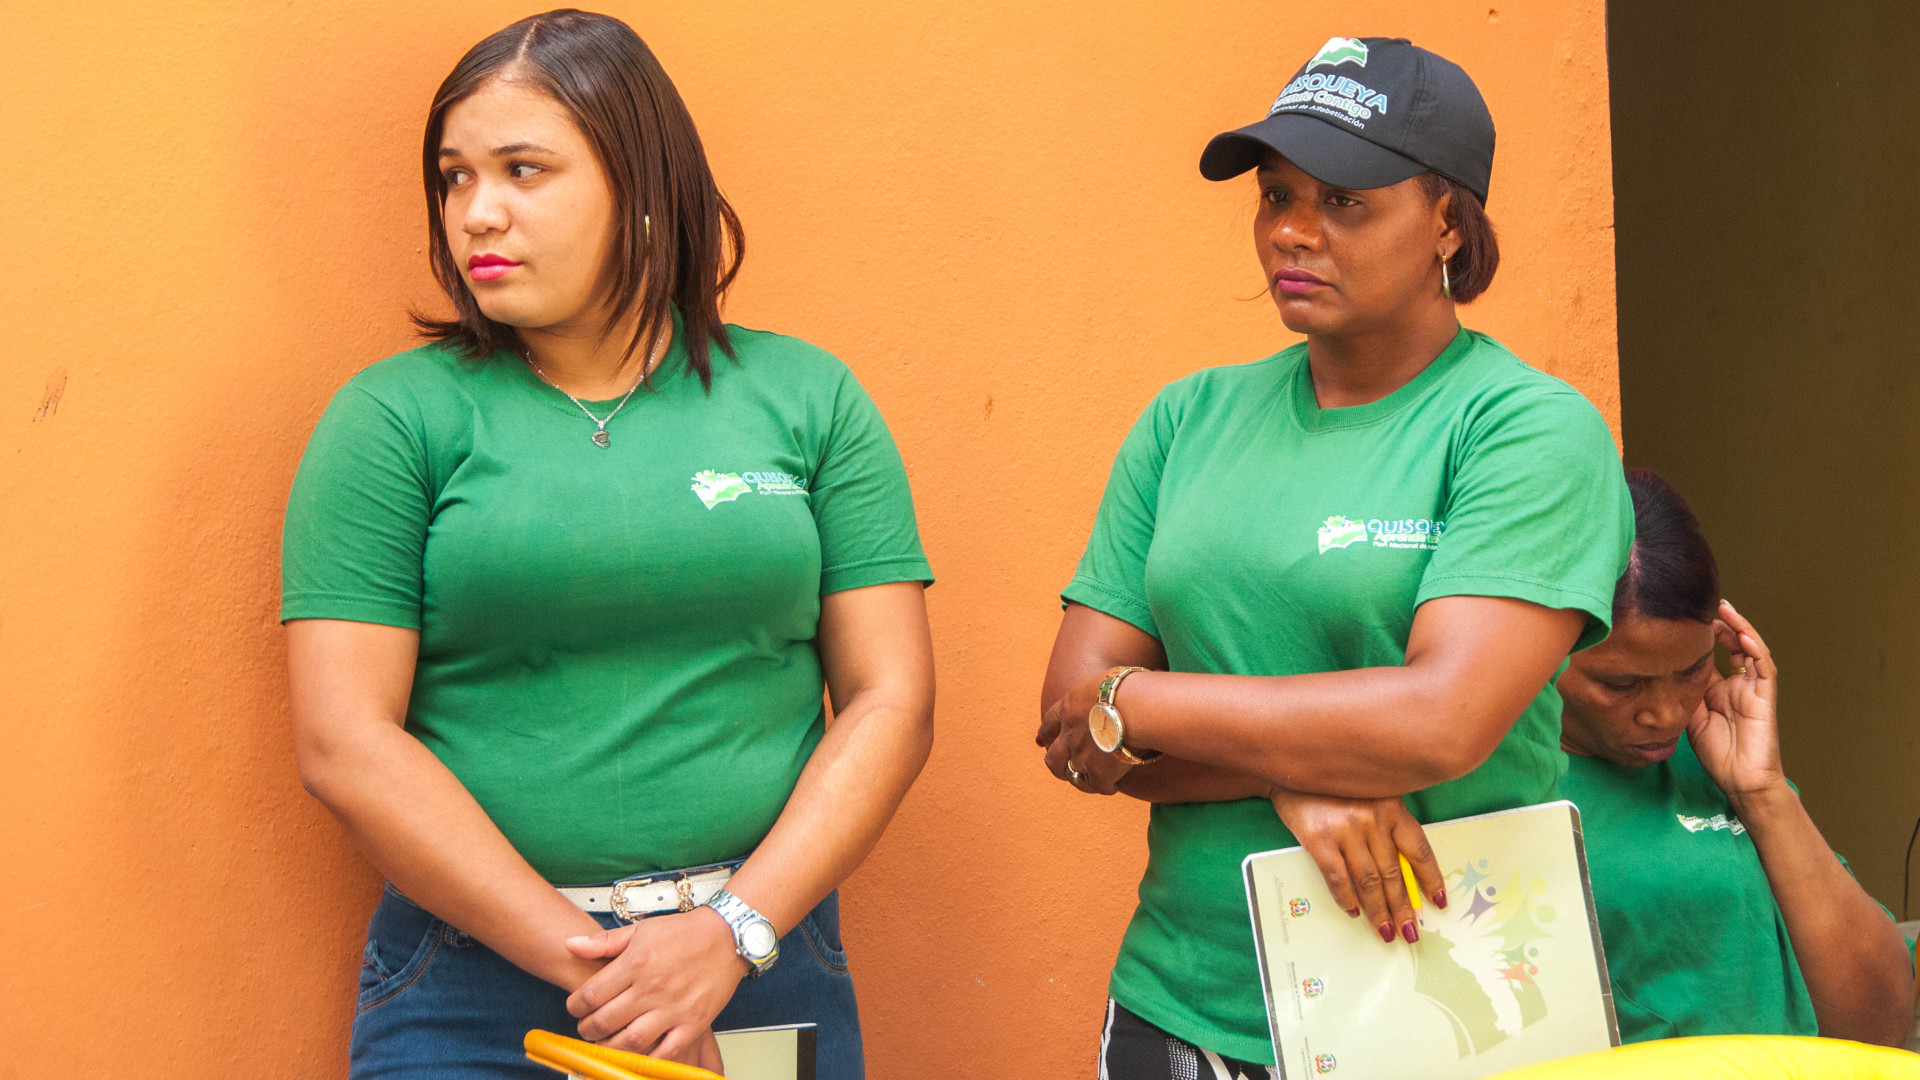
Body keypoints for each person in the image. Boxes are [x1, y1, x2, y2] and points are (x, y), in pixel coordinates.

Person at [281, 11, 934, 1078]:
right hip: (472, 988)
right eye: (454, 178)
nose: (477, 212)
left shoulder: (809, 397)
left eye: (522, 170)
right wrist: (617, 976)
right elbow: (345, 741)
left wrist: (728, 935)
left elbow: (891, 701)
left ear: (642, 188)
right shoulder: (393, 419)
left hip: (762, 966)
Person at [1036, 36, 1634, 1078]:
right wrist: (1294, 777)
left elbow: (1440, 721)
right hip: (1189, 1000)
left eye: (1345, 202)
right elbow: (1071, 729)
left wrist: (1140, 702)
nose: (1293, 231)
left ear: (1447, 221)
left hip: (1459, 1007)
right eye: (1277, 196)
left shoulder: (1525, 431)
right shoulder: (1187, 420)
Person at [1557, 469, 1913, 1045]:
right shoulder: (1492, 780)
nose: (1667, 714)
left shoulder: (1719, 761)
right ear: (1544, 645)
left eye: (1693, 669)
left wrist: (1763, 793)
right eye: (1621, 685)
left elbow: (1881, 1022)